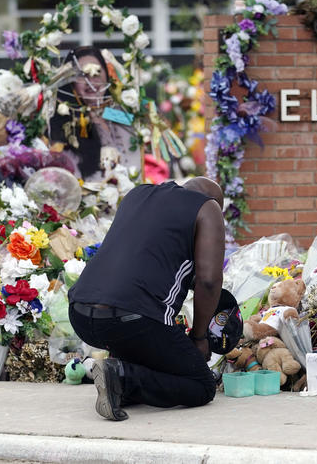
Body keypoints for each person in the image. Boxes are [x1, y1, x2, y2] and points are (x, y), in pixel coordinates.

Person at [68, 176, 225, 421]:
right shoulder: (208, 207)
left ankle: (117, 380)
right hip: (133, 319)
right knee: (201, 385)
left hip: (81, 312)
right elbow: (209, 280)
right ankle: (122, 376)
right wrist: (199, 336)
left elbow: (143, 257)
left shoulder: (138, 194)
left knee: (147, 350)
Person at [49, 46, 139, 182]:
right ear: (71, 82)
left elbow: (140, 141)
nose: (91, 82)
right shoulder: (63, 120)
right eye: (83, 75)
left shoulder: (116, 112)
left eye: (97, 72)